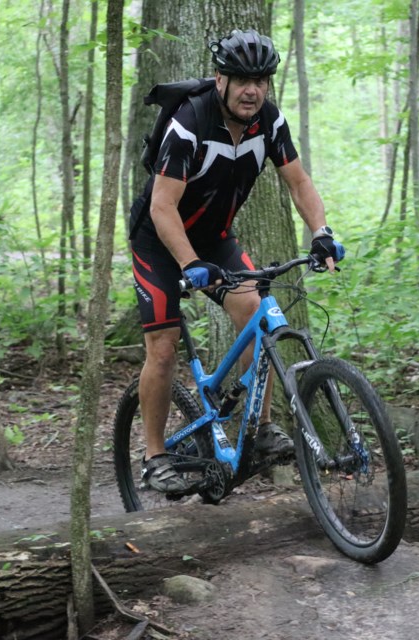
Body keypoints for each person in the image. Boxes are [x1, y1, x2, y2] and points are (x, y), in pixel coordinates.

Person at [128, 28, 343, 493]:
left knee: (256, 313)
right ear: (219, 79)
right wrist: (188, 264)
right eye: (241, 79)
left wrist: (321, 232)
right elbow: (162, 207)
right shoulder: (190, 122)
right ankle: (153, 455)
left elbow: (299, 184)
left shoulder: (269, 121)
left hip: (216, 238)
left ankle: (259, 429)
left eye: (261, 80)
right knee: (162, 349)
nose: (252, 90)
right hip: (160, 242)